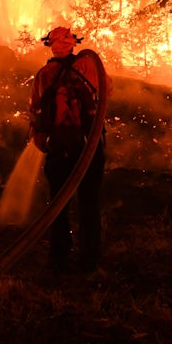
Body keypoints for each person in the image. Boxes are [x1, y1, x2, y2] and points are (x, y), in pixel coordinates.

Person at [29, 26, 111, 274]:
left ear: (51, 45)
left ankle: (59, 254)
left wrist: (40, 139)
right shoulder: (88, 66)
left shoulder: (44, 74)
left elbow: (34, 110)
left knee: (57, 203)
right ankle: (89, 258)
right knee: (89, 203)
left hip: (59, 149)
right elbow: (108, 90)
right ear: (73, 43)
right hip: (89, 146)